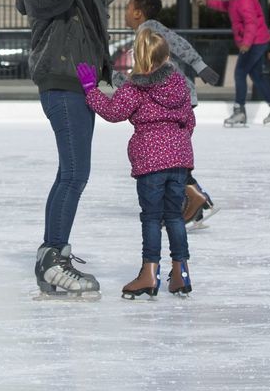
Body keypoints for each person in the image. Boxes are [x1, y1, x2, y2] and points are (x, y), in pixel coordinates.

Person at [16, 0, 118, 297]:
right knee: (74, 173)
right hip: (61, 85)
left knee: (73, 173)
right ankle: (51, 257)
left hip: (83, 86)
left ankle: (54, 253)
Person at [76, 26, 196, 300]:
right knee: (175, 217)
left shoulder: (136, 86)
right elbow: (189, 120)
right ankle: (182, 272)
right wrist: (176, 143)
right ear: (166, 57)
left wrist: (90, 90)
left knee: (152, 218)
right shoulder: (179, 84)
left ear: (140, 59)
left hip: (151, 162)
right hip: (179, 159)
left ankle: (149, 273)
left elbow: (113, 112)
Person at [119, 0, 223, 226]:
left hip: (174, 98)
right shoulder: (142, 33)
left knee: (171, 154)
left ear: (137, 12)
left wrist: (200, 65)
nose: (125, 12)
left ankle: (198, 200)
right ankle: (196, 205)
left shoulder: (149, 28)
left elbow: (177, 43)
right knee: (172, 153)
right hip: (173, 98)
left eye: (127, 7)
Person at [207, 0, 270, 127]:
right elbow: (226, 5)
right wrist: (207, 2)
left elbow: (251, 23)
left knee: (240, 73)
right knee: (256, 75)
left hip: (254, 42)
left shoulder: (244, 0)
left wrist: (246, 43)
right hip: (255, 41)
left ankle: (239, 111)